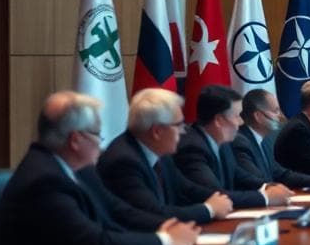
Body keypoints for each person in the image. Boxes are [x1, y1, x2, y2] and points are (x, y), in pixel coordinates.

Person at [0, 92, 199, 245]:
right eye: (97, 134)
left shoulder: (81, 170)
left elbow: (117, 210)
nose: (101, 143)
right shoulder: (43, 180)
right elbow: (94, 243)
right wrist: (165, 240)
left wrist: (163, 227)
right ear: (76, 139)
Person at [97, 88, 234, 224]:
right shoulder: (124, 161)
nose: (183, 131)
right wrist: (209, 209)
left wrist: (221, 200)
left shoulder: (160, 153)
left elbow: (188, 189)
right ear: (157, 131)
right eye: (178, 125)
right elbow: (154, 213)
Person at [175, 85, 293, 207]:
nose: (241, 122)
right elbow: (214, 194)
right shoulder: (192, 148)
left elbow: (239, 175)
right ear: (219, 120)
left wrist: (269, 186)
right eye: (237, 116)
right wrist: (265, 197)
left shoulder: (223, 143)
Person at [232, 88, 310, 190]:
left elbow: (280, 174)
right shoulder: (240, 143)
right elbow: (256, 182)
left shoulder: (264, 140)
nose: (280, 116)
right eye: (275, 111)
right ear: (258, 116)